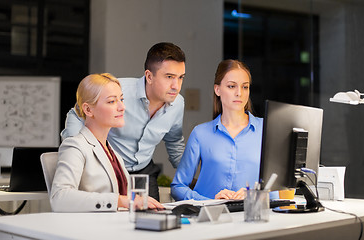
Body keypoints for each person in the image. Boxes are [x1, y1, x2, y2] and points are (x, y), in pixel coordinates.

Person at [60, 42, 186, 201]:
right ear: (149, 76)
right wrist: (76, 151)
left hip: (144, 170)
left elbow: (174, 141)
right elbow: (77, 113)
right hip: (110, 169)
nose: (176, 86)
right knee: (110, 218)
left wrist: (188, 177)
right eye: (169, 77)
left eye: (181, 77)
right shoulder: (118, 91)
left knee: (153, 219)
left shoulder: (177, 104)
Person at [51, 73, 163, 212]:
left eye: (121, 99)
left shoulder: (112, 152)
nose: (122, 107)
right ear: (88, 110)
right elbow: (59, 198)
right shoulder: (75, 146)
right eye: (112, 101)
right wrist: (120, 200)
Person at [171, 59, 263, 201]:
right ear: (217, 90)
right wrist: (208, 202)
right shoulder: (200, 134)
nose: (239, 93)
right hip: (210, 218)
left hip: (250, 217)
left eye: (245, 87)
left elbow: (283, 189)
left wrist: (255, 195)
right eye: (232, 86)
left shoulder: (265, 130)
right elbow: (178, 187)